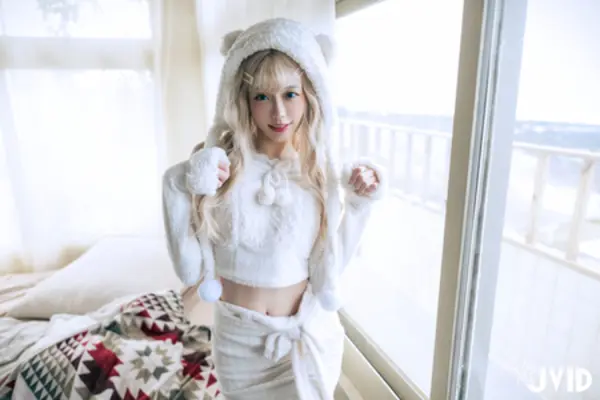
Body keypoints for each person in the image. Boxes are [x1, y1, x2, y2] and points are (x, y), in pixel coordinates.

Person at [162, 18, 387, 400]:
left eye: (290, 94)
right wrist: (180, 181)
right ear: (244, 99)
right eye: (263, 97)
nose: (279, 113)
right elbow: (189, 267)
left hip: (306, 336)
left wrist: (360, 205)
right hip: (239, 346)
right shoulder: (216, 163)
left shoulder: (320, 170)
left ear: (310, 94)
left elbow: (327, 273)